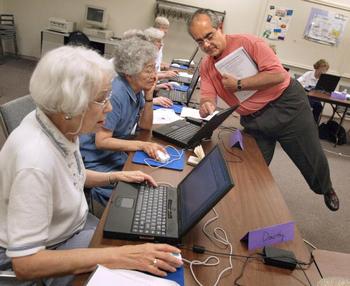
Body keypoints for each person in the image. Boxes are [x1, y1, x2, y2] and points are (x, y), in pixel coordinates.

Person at [0, 46, 182, 286]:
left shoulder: (60, 125)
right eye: (101, 99)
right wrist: (122, 256)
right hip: (47, 252)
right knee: (137, 259)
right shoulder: (34, 160)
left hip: (72, 227)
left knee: (140, 246)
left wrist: (115, 177)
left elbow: (70, 175)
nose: (108, 107)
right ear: (69, 105)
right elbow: (27, 264)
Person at [187, 9, 339, 211]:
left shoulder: (249, 42)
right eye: (200, 42)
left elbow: (277, 75)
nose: (206, 45)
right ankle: (245, 206)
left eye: (209, 36)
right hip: (254, 119)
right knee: (250, 163)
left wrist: (239, 84)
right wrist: (207, 104)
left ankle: (325, 188)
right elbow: (207, 94)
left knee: (309, 155)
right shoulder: (207, 66)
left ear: (220, 28)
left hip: (287, 105)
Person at [79, 37, 168, 206]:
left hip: (113, 155)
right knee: (134, 197)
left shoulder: (136, 89)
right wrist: (142, 145)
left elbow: (145, 126)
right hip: (95, 161)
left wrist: (149, 97)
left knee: (147, 180)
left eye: (154, 69)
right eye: (148, 70)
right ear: (129, 72)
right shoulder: (117, 92)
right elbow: (101, 141)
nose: (154, 75)